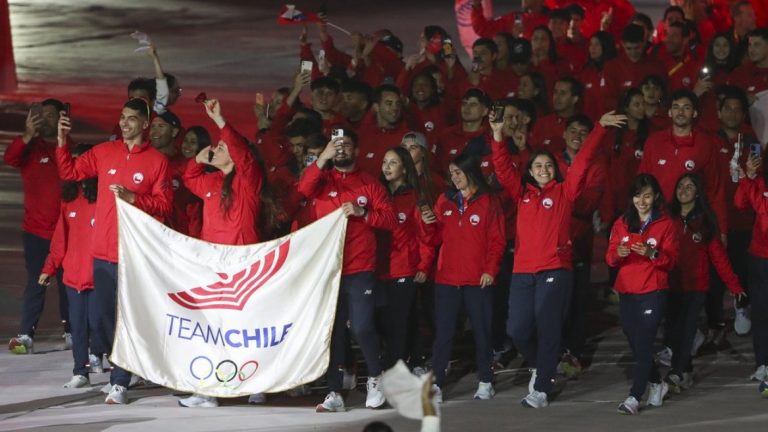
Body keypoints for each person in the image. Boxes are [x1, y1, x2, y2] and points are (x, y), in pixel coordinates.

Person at [491, 108, 626, 408]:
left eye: (548, 165)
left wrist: (599, 129)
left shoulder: (566, 192)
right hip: (523, 271)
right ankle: (542, 364)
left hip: (555, 269)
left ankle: (541, 389)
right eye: (538, 165)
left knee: (548, 327)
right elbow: (501, 167)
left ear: (556, 170)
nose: (543, 169)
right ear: (530, 171)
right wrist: (498, 134)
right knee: (517, 330)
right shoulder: (522, 194)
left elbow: (583, 161)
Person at [55, 97, 173, 405]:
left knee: (126, 318)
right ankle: (125, 367)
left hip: (133, 254)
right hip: (102, 252)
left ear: (145, 124)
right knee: (101, 319)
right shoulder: (104, 152)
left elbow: (165, 205)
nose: (124, 122)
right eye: (122, 117)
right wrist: (62, 140)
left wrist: (135, 198)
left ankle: (119, 381)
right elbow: (69, 172)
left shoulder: (157, 161)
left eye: (131, 118)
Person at [177, 98, 270, 408]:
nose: (215, 149)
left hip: (244, 266)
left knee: (246, 328)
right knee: (212, 329)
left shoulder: (248, 179)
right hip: (212, 265)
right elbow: (189, 178)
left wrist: (220, 121)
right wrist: (197, 160)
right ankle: (208, 390)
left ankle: (255, 384)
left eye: (221, 147)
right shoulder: (210, 181)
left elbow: (243, 153)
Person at [298, 128, 397, 412]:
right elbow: (303, 189)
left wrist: (363, 212)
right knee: (333, 332)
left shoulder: (369, 183)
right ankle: (334, 392)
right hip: (327, 269)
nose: (340, 150)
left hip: (360, 267)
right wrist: (322, 159)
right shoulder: (321, 180)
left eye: (346, 145)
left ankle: (375, 377)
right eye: (336, 145)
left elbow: (390, 219)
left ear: (356, 150)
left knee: (362, 327)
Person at [419, 153, 505, 402]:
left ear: (471, 172)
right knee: (443, 334)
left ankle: (486, 380)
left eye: (458, 172)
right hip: (447, 278)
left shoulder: (489, 201)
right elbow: (435, 239)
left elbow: (497, 240)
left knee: (481, 332)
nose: (454, 178)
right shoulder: (444, 200)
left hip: (478, 279)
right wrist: (427, 224)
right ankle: (437, 384)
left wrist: (490, 270)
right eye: (451, 173)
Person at [606, 174, 679, 415]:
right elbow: (610, 258)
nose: (642, 201)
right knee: (636, 342)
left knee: (645, 341)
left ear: (656, 196)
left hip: (653, 290)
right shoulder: (622, 222)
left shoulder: (665, 224)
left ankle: (635, 396)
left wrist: (652, 253)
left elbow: (671, 261)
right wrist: (618, 253)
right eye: (638, 196)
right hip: (627, 289)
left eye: (647, 196)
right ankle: (657, 382)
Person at [665, 173, 746, 393]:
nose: (683, 189)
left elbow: (719, 257)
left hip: (696, 287)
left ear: (698, 193)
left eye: (689, 186)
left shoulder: (705, 223)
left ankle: (677, 373)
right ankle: (685, 370)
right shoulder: (666, 218)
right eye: (680, 185)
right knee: (673, 331)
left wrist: (734, 285)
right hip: (671, 285)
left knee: (687, 330)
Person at [5, 99, 71, 354]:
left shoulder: (70, 148)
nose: (44, 119)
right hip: (36, 232)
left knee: (69, 283)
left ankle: (73, 332)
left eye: (50, 115)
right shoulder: (30, 149)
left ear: (62, 117)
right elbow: (10, 157)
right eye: (41, 115)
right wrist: (27, 135)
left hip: (68, 232)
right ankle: (26, 336)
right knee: (36, 282)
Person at [39, 143, 100, 389]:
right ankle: (80, 371)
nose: (74, 166)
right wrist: (49, 268)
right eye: (72, 160)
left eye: (80, 160)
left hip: (100, 275)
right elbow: (60, 238)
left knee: (99, 323)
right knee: (78, 326)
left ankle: (104, 358)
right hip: (73, 276)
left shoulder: (105, 198)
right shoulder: (69, 199)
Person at [638, 89, 727, 238]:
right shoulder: (654, 141)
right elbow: (641, 183)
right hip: (657, 219)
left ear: (694, 113)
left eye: (686, 107)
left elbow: (715, 190)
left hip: (691, 223)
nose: (680, 112)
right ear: (669, 112)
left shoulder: (705, 144)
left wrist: (722, 231)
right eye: (676, 107)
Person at [378, 147, 428, 368]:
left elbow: (425, 236)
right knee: (385, 320)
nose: (387, 167)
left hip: (404, 268)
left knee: (399, 322)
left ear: (405, 168)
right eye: (384, 162)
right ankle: (413, 361)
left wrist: (424, 265)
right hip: (378, 268)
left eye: (393, 163)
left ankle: (399, 369)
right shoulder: (376, 194)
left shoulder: (415, 198)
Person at [734, 151, 768, 385]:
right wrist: (749, 177)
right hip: (760, 257)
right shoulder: (759, 180)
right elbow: (740, 203)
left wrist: (749, 178)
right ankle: (762, 364)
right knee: (761, 311)